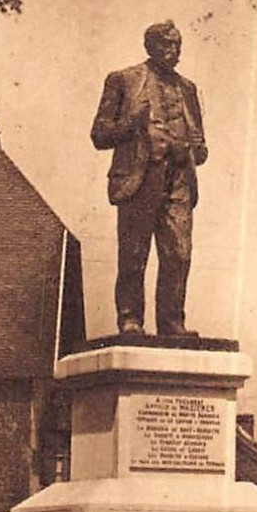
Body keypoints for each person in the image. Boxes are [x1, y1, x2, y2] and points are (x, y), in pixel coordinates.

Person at [91, 20, 208, 338]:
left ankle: (172, 322)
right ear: (151, 47)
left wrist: (197, 148)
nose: (176, 52)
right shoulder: (124, 80)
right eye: (169, 45)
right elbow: (99, 135)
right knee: (134, 254)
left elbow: (201, 145)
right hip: (141, 177)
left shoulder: (188, 89)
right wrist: (132, 122)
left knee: (179, 254)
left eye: (179, 46)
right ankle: (130, 319)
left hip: (179, 179)